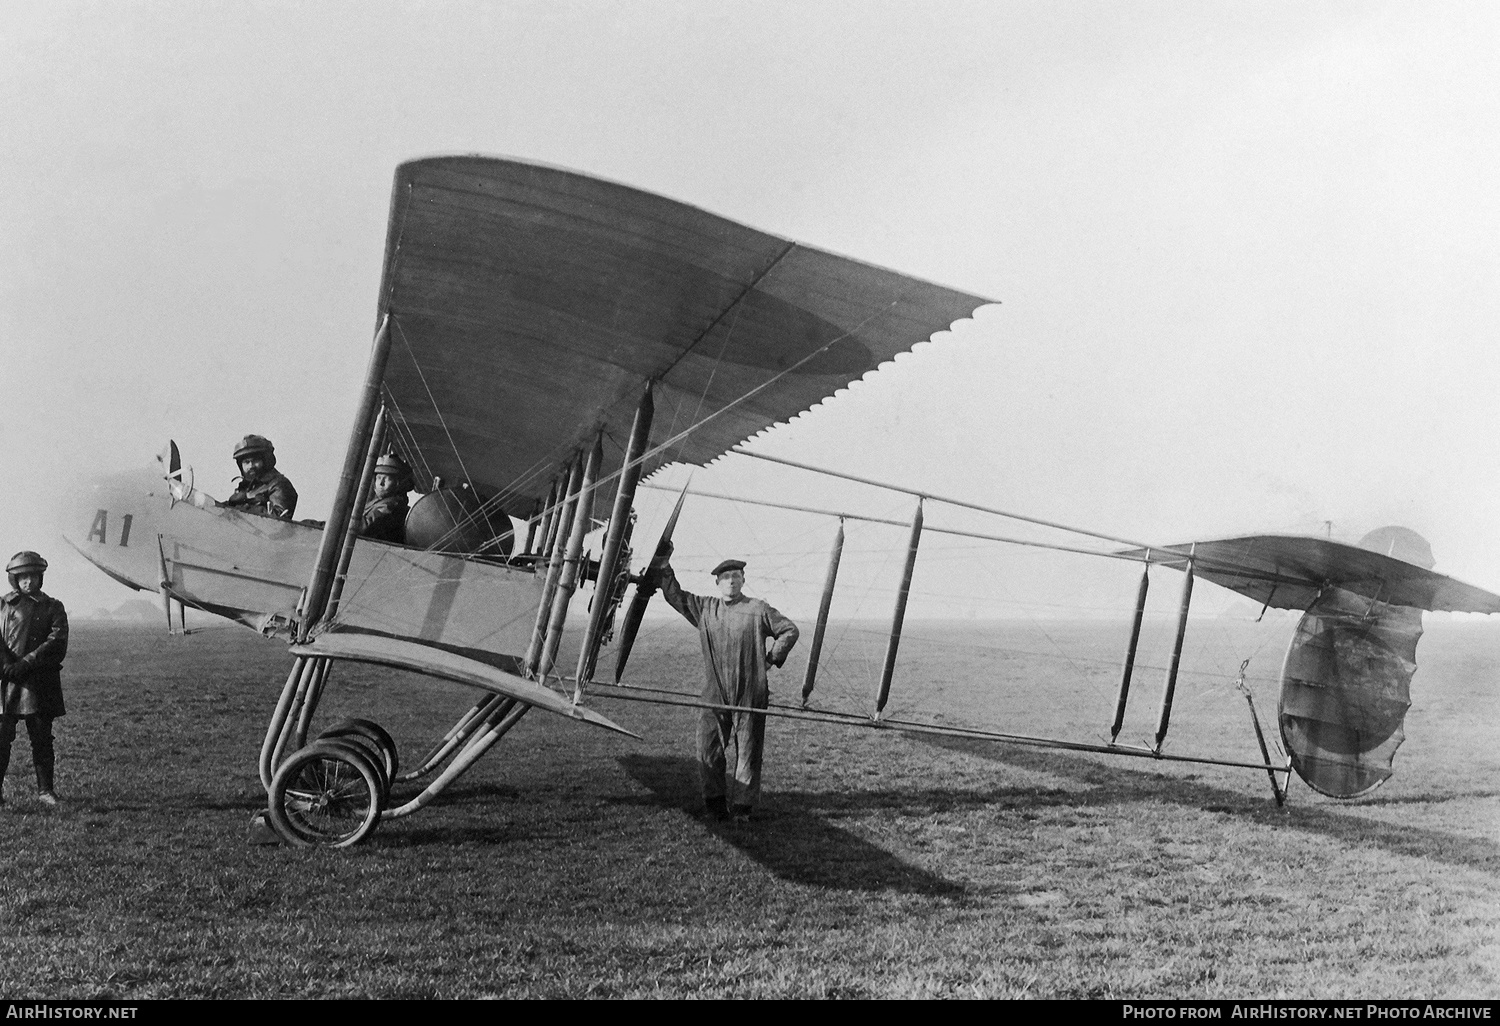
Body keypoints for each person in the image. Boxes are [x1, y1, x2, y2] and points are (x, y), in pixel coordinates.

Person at [657, 555, 798, 823]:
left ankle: (743, 808)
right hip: (715, 690)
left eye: (735, 576)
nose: (731, 581)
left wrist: (771, 659)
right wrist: (664, 567)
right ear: (717, 583)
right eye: (725, 578)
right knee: (708, 747)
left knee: (748, 749)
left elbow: (789, 630)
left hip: (750, 691)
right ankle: (715, 805)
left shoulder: (758, 608)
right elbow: (676, 597)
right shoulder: (706, 608)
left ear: (743, 580)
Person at [0, 551, 69, 806]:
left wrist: (26, 664)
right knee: (0, 738)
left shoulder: (53, 607)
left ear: (40, 577)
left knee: (41, 738)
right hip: (5, 682)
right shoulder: (2, 604)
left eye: (32, 576)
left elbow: (57, 641)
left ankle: (45, 791)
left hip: (39, 683)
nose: (28, 581)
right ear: (14, 579)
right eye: (22, 577)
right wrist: (7, 665)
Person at [222, 434, 298, 519]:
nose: (251, 466)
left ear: (266, 460)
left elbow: (279, 519)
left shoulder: (279, 484)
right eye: (246, 462)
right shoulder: (244, 488)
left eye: (255, 460)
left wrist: (244, 507)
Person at [360, 452, 412, 543]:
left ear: (398, 483)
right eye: (379, 477)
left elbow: (364, 527)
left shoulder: (392, 506)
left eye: (387, 478)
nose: (381, 483)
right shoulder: (380, 502)